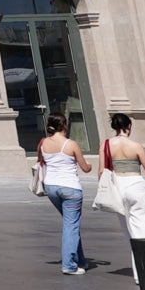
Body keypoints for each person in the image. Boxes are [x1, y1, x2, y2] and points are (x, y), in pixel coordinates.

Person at [99, 113, 145, 280]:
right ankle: (144, 272)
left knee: (129, 232)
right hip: (136, 185)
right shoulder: (135, 145)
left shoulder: (106, 145)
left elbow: (101, 171)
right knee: (143, 230)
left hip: (117, 188)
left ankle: (139, 272)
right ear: (128, 126)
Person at [37, 113, 91, 275]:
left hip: (51, 187)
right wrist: (89, 164)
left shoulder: (43, 142)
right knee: (71, 225)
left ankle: (80, 260)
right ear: (65, 125)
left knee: (71, 223)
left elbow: (41, 161)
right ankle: (69, 265)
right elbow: (85, 168)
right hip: (70, 188)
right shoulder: (71, 144)